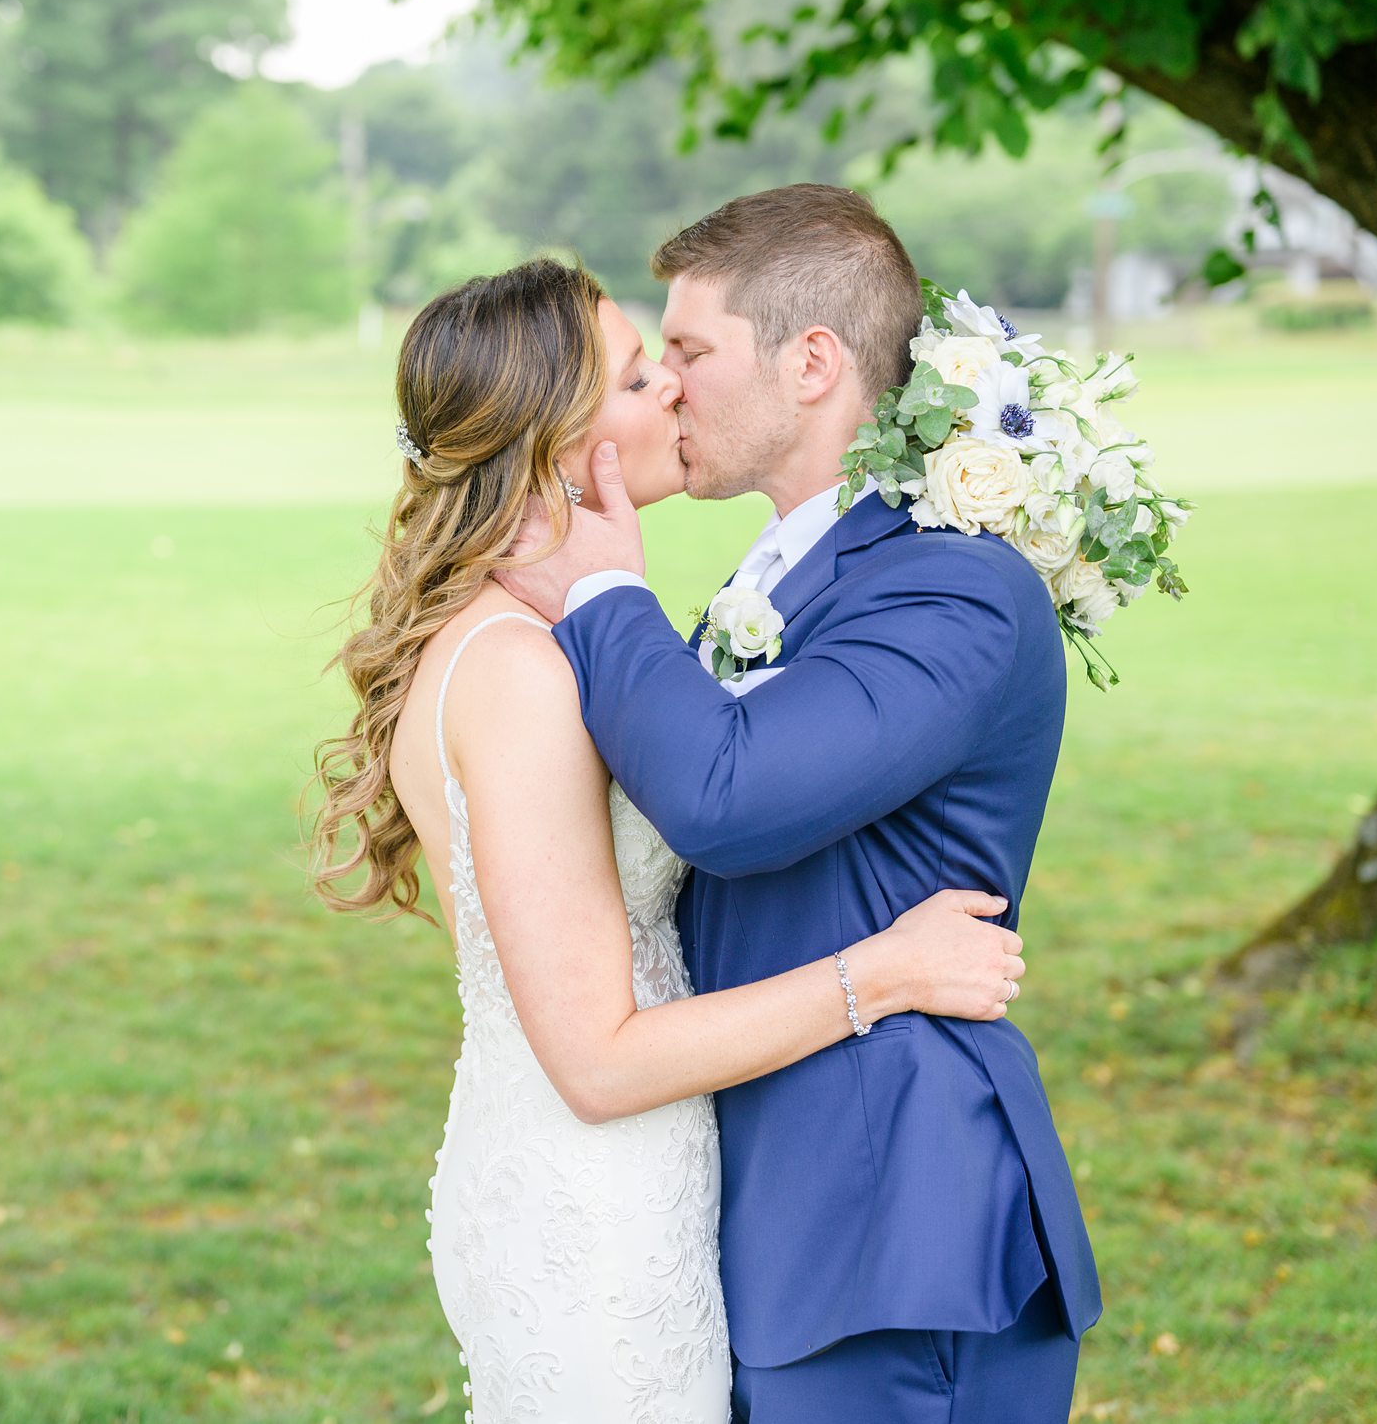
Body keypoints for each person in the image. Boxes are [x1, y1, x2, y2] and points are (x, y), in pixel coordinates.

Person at [309, 255, 1031, 1422]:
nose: (677, 398)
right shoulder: (516, 672)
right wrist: (882, 974)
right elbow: (597, 1058)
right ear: (556, 435)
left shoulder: (536, 637)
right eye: (643, 376)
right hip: (595, 1214)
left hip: (634, 1182)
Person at [498, 187, 1102, 1424]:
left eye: (692, 352)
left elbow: (725, 797)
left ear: (812, 362)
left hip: (890, 1224)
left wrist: (610, 598)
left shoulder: (958, 591)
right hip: (771, 1209)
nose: (667, 386)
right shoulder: (782, 575)